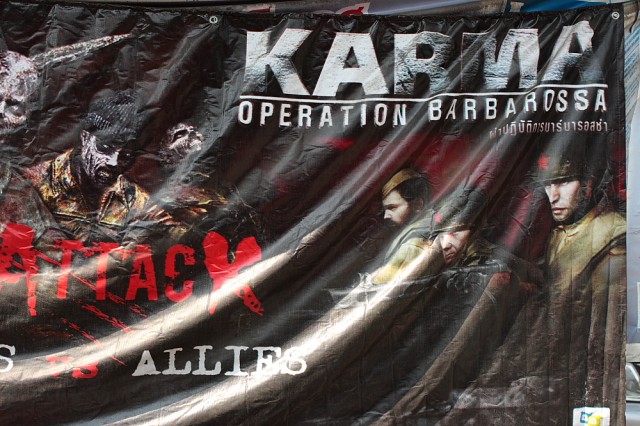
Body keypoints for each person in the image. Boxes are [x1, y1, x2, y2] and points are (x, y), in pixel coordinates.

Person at [25, 89, 169, 243]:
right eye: (105, 148)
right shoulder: (35, 183)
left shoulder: (133, 199)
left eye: (125, 156)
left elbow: (175, 235)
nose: (113, 162)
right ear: (85, 138)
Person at [0, 51, 63, 246]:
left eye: (13, 106)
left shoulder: (22, 195)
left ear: (27, 120)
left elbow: (54, 254)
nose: (0, 113)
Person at [370, 168, 443, 284]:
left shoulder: (414, 244)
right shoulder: (431, 227)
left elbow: (381, 285)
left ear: (417, 205)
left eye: (392, 207)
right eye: (385, 209)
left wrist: (369, 280)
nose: (386, 216)